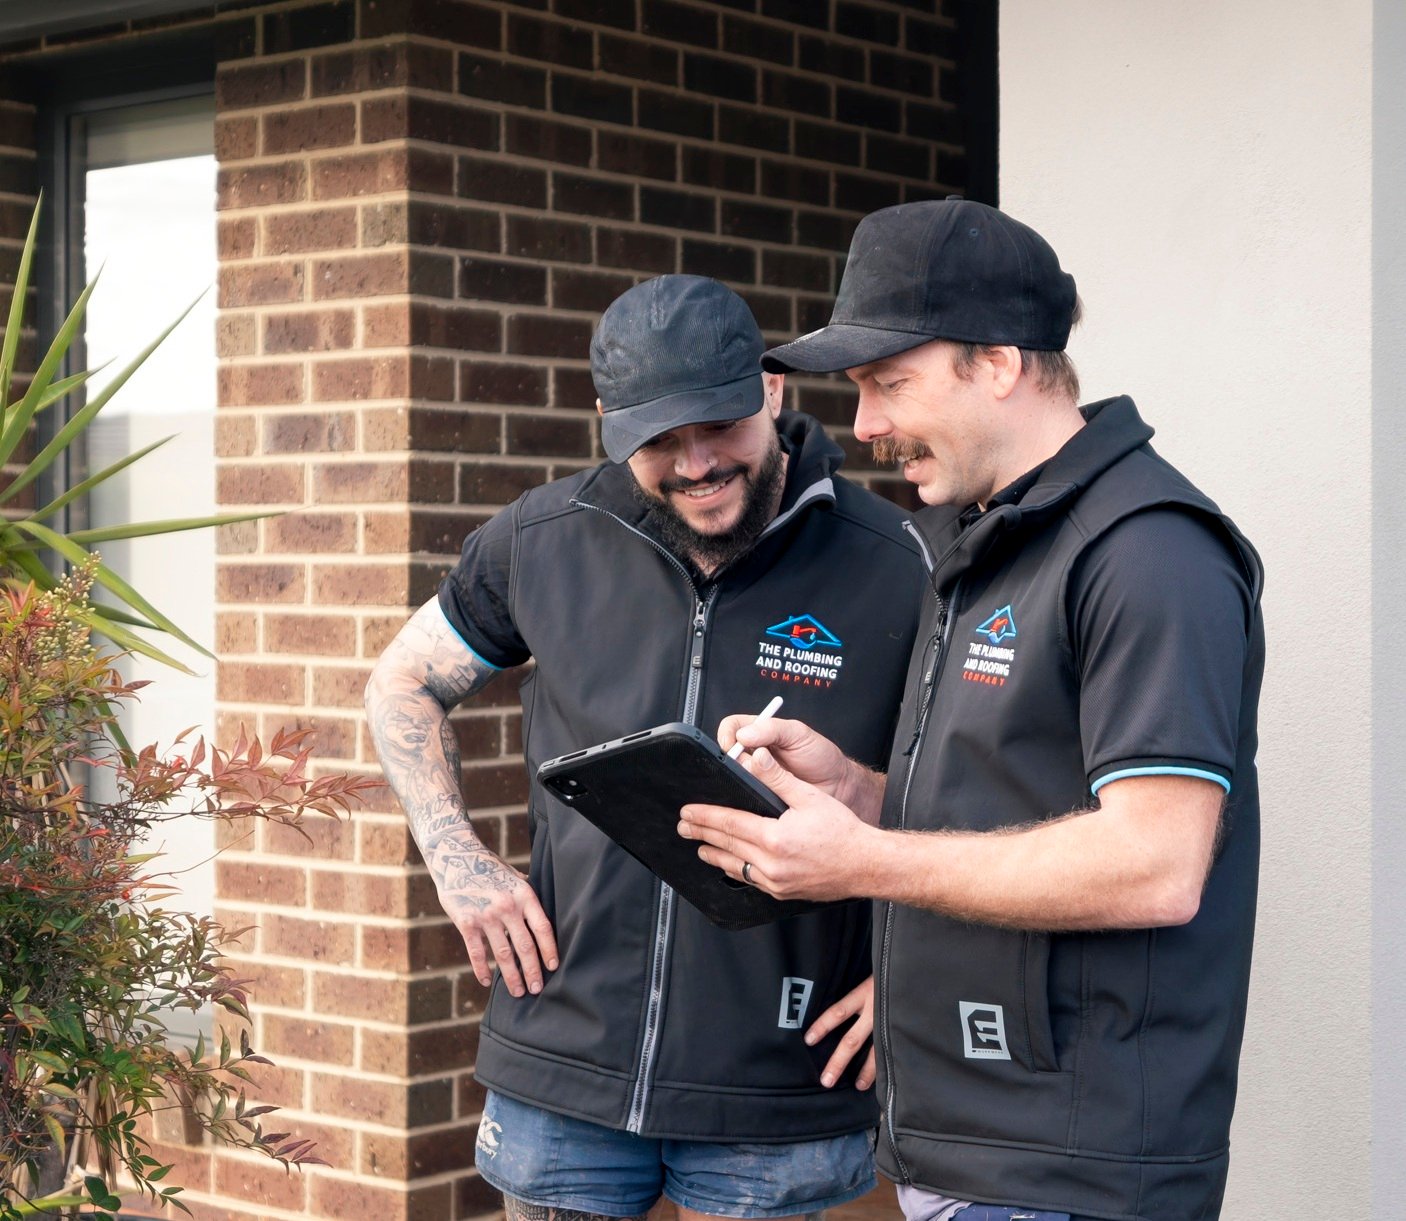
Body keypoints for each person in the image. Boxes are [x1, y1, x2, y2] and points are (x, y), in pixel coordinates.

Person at [678, 201, 1265, 1221]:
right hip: (970, 1149)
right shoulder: (981, 542)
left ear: (996, 363)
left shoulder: (1148, 552)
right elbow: (1013, 802)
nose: (864, 426)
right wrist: (859, 793)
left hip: (1069, 1170)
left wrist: (863, 860)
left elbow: (1157, 862)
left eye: (888, 383)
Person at [365, 275, 925, 1221]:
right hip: (564, 1062)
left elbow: (980, 782)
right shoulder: (541, 539)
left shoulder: (899, 559)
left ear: (773, 389)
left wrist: (920, 967)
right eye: (660, 440)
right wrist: (457, 861)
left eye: (721, 427)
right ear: (608, 424)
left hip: (777, 1080)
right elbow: (401, 682)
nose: (697, 463)